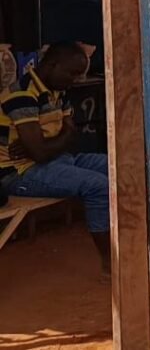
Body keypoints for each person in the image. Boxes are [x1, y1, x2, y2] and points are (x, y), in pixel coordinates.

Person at [0, 42, 110, 275]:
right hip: (19, 172)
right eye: (71, 73)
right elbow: (41, 152)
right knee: (98, 185)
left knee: (120, 167)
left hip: (58, 160)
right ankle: (111, 263)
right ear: (51, 65)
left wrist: (53, 141)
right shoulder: (22, 94)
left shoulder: (58, 91)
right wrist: (64, 135)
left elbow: (66, 139)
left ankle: (141, 241)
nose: (76, 80)